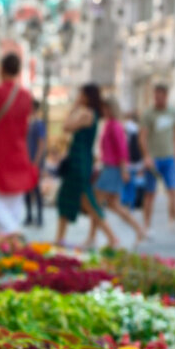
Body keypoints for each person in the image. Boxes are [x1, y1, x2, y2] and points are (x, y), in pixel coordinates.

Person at [0, 53, 38, 240]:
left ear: (1, 69)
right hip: (20, 153)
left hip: (0, 153)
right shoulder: (26, 96)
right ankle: (9, 246)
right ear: (19, 71)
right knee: (13, 205)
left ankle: (13, 233)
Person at [56, 83, 119, 249]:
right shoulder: (92, 113)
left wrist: (74, 107)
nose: (78, 97)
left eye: (81, 94)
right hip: (79, 159)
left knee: (87, 200)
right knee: (66, 197)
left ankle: (112, 238)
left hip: (79, 161)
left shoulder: (87, 113)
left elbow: (66, 126)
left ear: (86, 96)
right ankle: (59, 237)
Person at [94, 97, 146, 244]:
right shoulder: (110, 124)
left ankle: (106, 238)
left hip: (112, 168)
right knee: (113, 204)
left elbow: (122, 150)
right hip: (110, 167)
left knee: (95, 204)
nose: (103, 111)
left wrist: (124, 170)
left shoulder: (114, 125)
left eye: (105, 108)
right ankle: (139, 229)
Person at [140, 84, 175, 237]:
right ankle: (147, 227)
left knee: (174, 191)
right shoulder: (148, 114)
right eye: (155, 96)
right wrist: (146, 155)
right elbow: (143, 137)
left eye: (160, 96)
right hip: (153, 158)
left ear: (166, 95)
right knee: (150, 194)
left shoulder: (173, 113)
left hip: (169, 157)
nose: (157, 99)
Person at [24, 101, 48, 228]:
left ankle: (39, 217)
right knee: (26, 190)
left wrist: (36, 162)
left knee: (36, 189)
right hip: (26, 162)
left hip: (34, 162)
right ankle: (29, 216)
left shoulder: (38, 124)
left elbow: (41, 143)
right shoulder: (27, 123)